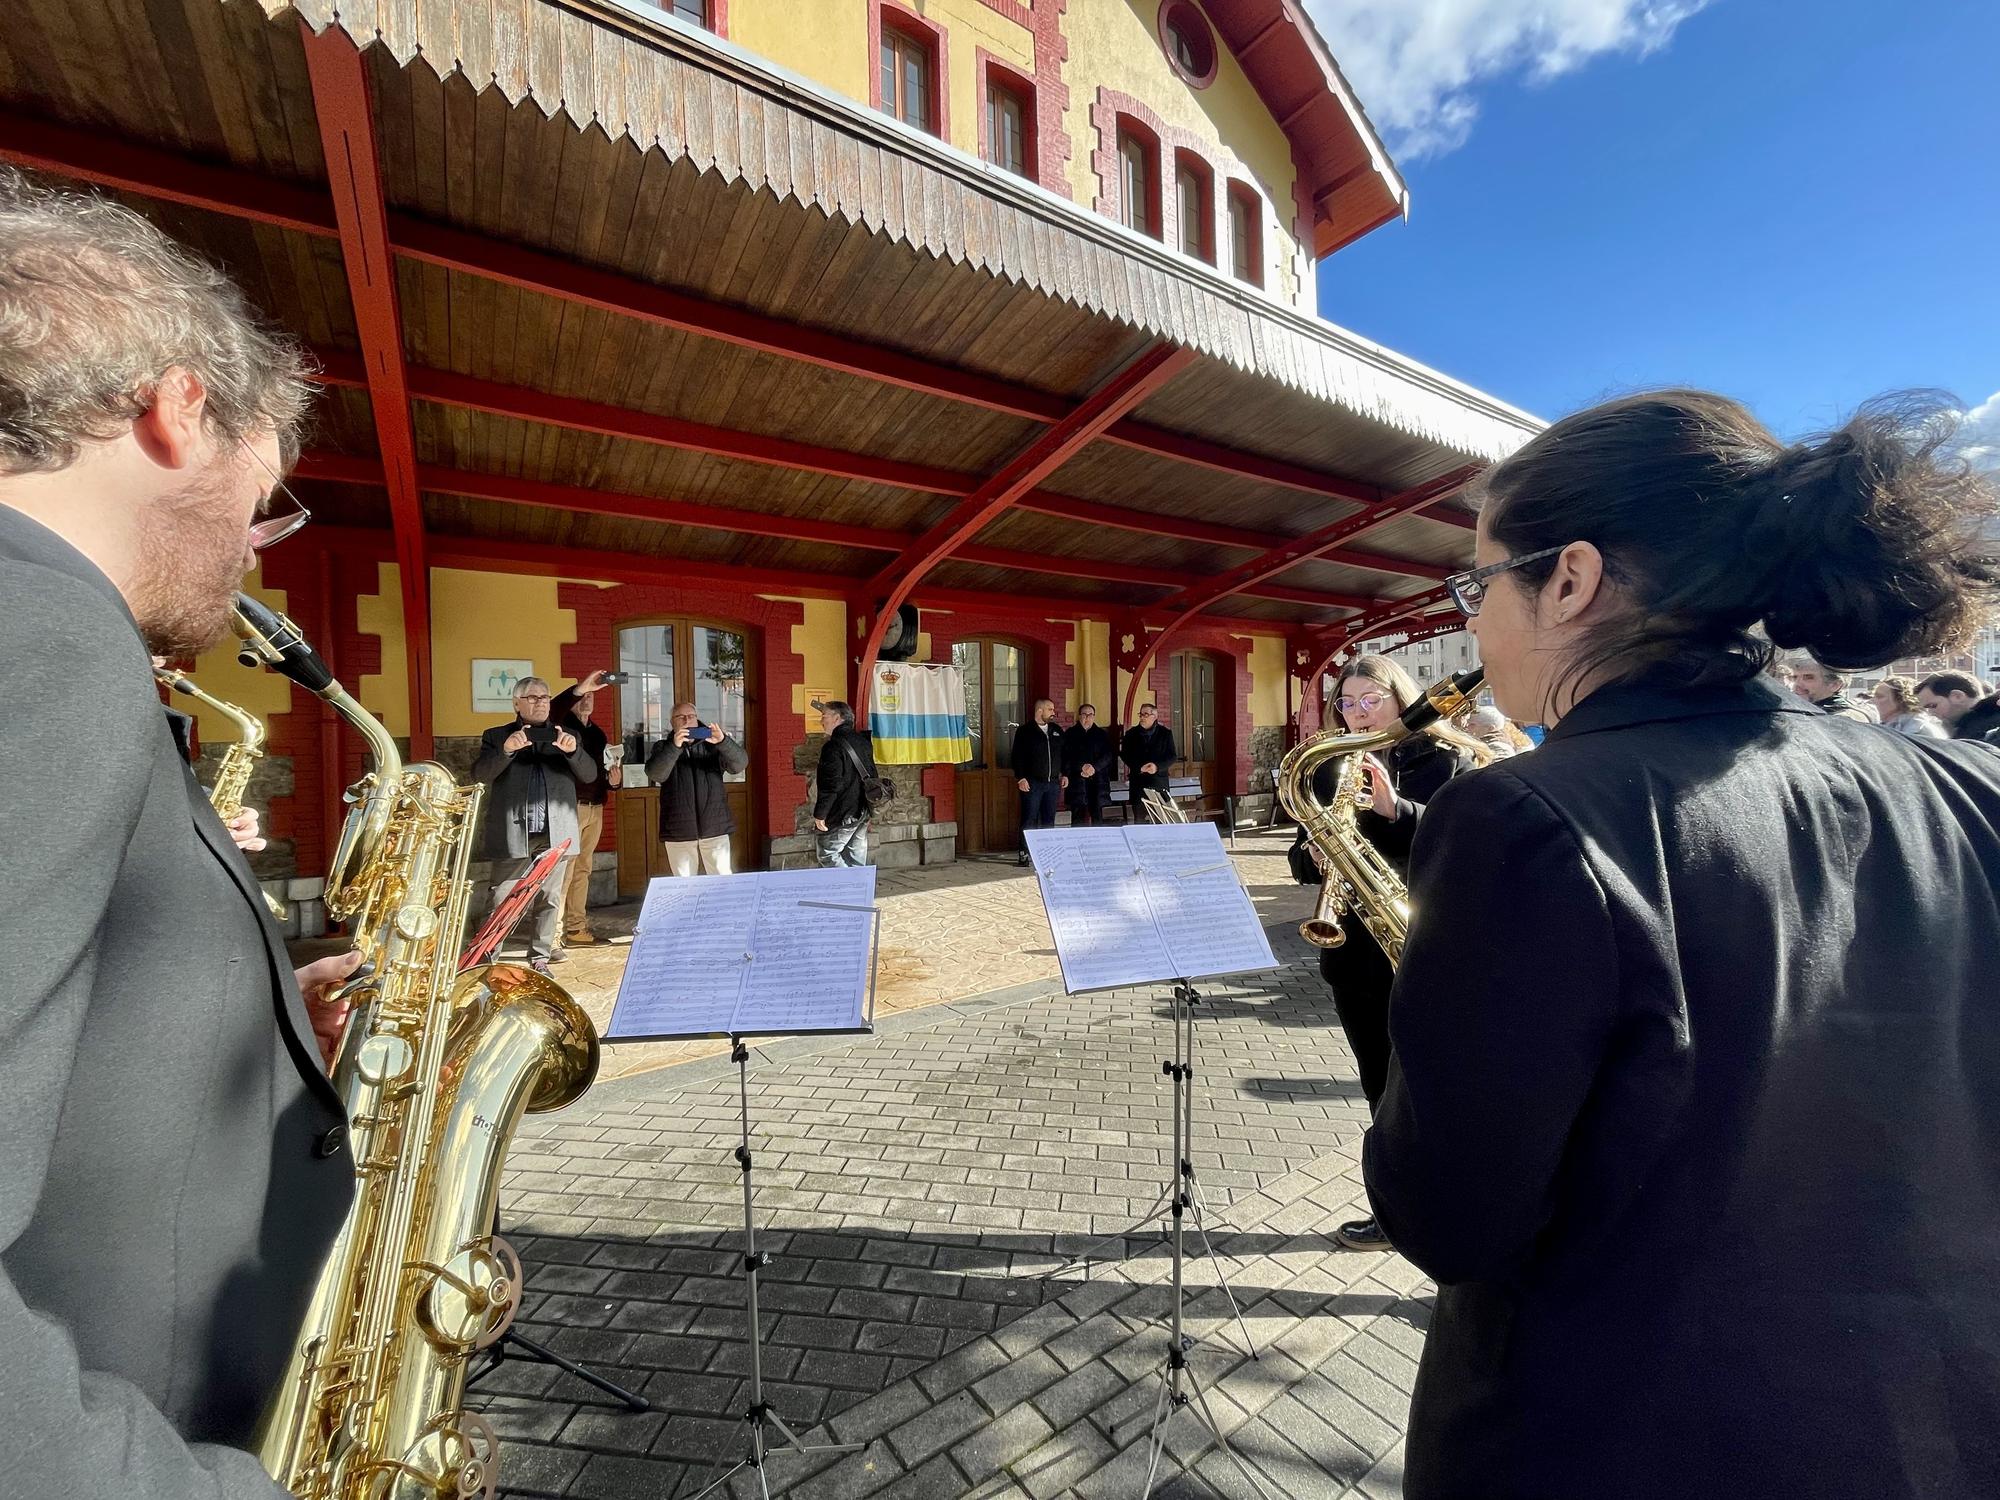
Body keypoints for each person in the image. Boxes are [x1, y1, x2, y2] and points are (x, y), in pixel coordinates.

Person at [1364, 389, 2000, 1499]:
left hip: (1622, 1435)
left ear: (1567, 577)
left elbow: (1448, 1218)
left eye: (1477, 581)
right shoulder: (1968, 782)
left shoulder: (1525, 816)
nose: (1471, 622)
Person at [0, 167, 361, 1497]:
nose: (256, 550)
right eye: (264, 495)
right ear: (176, 409)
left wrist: (244, 1020)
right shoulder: (40, 637)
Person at [1287, 653, 1489, 1251]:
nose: (1355, 714)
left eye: (1369, 700)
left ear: (1402, 699)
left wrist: (1393, 811)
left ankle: (1457, 1200)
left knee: (1433, 1083)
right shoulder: (1329, 764)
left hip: (1427, 943)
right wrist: (1317, 852)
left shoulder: (1449, 758)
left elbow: (1467, 846)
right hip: (1356, 950)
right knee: (1379, 1081)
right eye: (1345, 703)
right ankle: (1393, 1209)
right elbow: (1300, 856)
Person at [471, 677, 598, 970]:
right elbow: (480, 774)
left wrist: (573, 753)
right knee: (502, 898)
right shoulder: (496, 735)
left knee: (549, 899)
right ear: (516, 703)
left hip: (557, 832)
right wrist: (506, 751)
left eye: (544, 697)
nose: (540, 702)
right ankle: (488, 957)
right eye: (532, 697)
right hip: (515, 832)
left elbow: (590, 775)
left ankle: (539, 958)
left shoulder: (566, 734)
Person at [551, 669, 622, 944]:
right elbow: (554, 711)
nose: (586, 701)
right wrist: (577, 690)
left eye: (591, 697)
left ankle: (575, 928)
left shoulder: (598, 734)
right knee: (564, 871)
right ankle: (553, 933)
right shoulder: (561, 725)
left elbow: (601, 771)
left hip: (595, 808)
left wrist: (613, 783)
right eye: (582, 696)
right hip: (570, 808)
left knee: (583, 869)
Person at [644, 700, 748, 875]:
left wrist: (723, 741)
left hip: (715, 826)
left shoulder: (712, 745)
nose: (686, 720)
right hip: (679, 830)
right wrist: (674, 747)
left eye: (691, 716)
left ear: (697, 719)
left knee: (721, 882)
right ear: (672, 722)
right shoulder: (662, 747)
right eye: (681, 717)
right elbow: (656, 774)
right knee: (685, 885)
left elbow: (740, 764)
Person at [812, 699, 878, 867]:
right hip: (862, 809)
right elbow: (872, 774)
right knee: (856, 858)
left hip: (843, 812)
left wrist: (820, 814)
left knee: (828, 854)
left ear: (837, 718)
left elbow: (831, 784)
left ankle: (846, 888)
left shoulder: (832, 746)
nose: (821, 721)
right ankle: (859, 890)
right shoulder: (863, 741)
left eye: (824, 716)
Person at [1010, 697, 1067, 865]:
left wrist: (1065, 774)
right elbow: (1017, 756)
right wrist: (1020, 777)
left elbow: (1064, 755)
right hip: (1033, 783)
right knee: (1029, 818)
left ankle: (1046, 854)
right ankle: (1024, 852)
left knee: (1049, 819)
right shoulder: (1025, 731)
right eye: (1050, 709)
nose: (1053, 713)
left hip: (1053, 784)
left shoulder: (1056, 730)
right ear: (1039, 710)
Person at [1119, 702, 1176, 819]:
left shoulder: (1165, 734)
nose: (1142, 717)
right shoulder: (1130, 734)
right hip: (1138, 784)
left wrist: (1157, 767)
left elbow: (1172, 756)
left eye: (1145, 714)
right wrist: (1139, 767)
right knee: (1139, 821)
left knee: (1161, 821)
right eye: (1140, 714)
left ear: (1154, 716)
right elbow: (1125, 755)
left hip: (1159, 783)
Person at [1916, 669, 2000, 744]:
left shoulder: (1984, 730)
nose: (1931, 713)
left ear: (1957, 696)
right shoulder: (1971, 726)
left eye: (1933, 706)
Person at [1064, 703, 1115, 825]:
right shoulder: (1070, 734)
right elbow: (1066, 756)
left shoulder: (1102, 734)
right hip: (1077, 780)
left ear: (1094, 716)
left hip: (1097, 779)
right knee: (1077, 817)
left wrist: (1094, 767)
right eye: (1084, 714)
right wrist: (1082, 766)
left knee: (1097, 817)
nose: (1087, 717)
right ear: (1079, 716)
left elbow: (1108, 755)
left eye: (1091, 715)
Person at [1790, 655, 1874, 720]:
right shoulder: (1797, 712)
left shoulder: (1845, 718)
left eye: (1808, 677)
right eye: (1794, 677)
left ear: (1834, 685)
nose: (1797, 684)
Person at [1870, 673, 1946, 738]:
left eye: (1880, 696)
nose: (1873, 701)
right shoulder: (1883, 726)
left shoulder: (1919, 729)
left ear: (1900, 700)